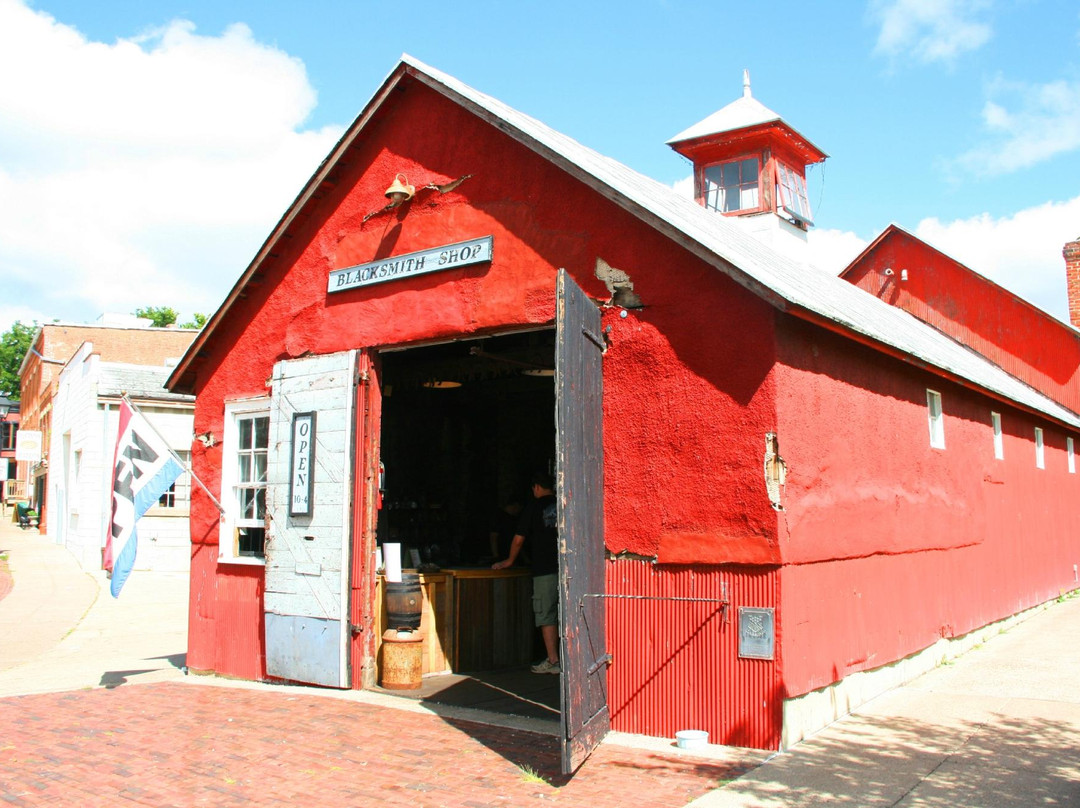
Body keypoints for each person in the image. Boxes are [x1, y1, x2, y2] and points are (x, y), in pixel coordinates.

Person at [492, 470, 560, 674]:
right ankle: (568, 659)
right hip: (565, 568)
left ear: (536, 488)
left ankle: (553, 660)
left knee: (546, 614)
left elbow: (519, 538)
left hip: (544, 569)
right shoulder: (564, 503)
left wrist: (509, 560)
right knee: (564, 614)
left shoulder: (533, 507)